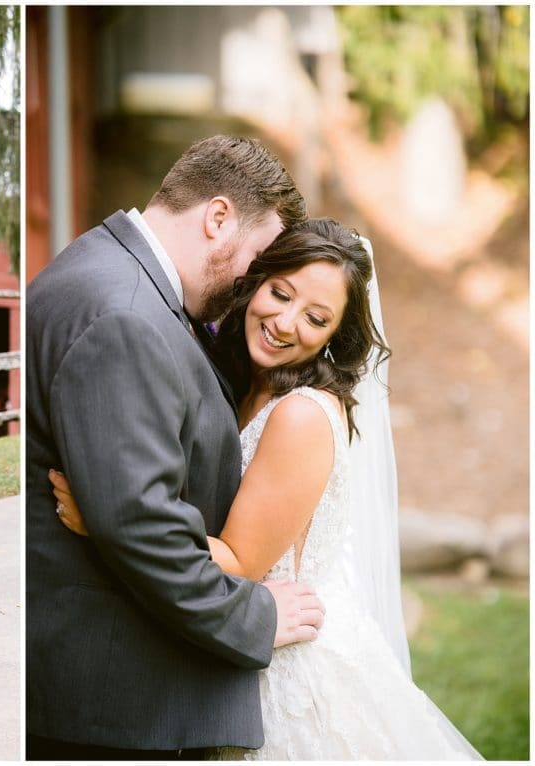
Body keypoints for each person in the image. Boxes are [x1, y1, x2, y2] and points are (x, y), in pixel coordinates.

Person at [52, 218, 481, 759]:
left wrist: (105, 516)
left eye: (316, 318)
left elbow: (238, 560)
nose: (284, 322)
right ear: (257, 281)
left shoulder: (300, 415)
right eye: (280, 293)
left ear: (334, 337)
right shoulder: (240, 382)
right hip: (234, 645)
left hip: (289, 668)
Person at [26, 135, 325, 760]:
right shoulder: (126, 313)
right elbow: (142, 526)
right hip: (113, 706)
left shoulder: (118, 276)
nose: (255, 283)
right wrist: (255, 618)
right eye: (260, 256)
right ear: (218, 218)